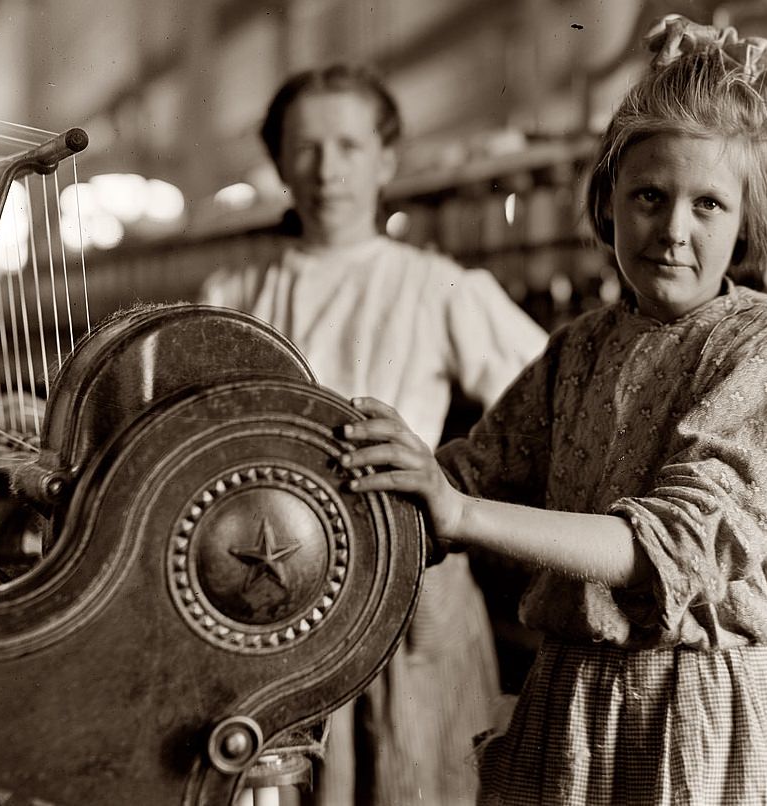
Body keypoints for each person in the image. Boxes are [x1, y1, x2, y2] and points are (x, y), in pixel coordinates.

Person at [339, 14, 767, 806]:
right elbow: (475, 469)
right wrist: (368, 481)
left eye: (708, 205)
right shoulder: (580, 349)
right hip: (573, 714)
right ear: (609, 202)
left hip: (710, 720)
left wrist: (459, 513)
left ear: (747, 220)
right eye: (650, 196)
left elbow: (674, 547)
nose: (674, 231)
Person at [200, 64, 549, 806]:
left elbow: (555, 405)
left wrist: (451, 486)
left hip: (407, 581)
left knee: (419, 778)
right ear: (279, 162)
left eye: (350, 146)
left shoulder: (439, 285)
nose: (328, 170)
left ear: (386, 159)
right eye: (306, 148)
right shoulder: (232, 297)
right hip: (269, 592)